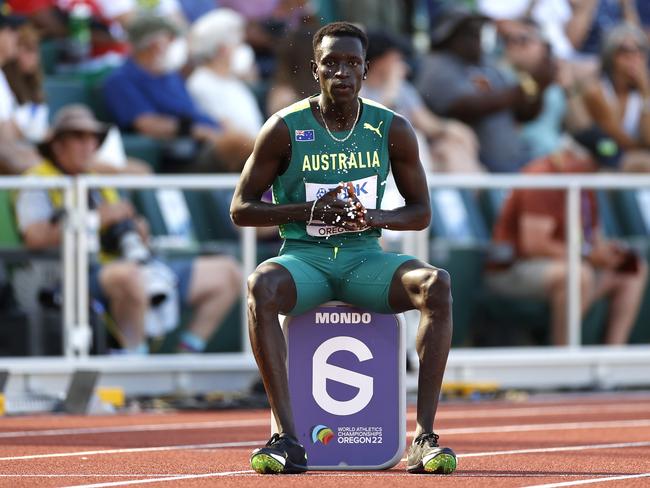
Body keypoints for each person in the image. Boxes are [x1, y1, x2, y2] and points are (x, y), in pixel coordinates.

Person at [230, 22, 456, 475]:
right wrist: (311, 209)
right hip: (304, 260)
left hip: (364, 259)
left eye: (352, 63)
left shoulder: (391, 128)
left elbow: (420, 212)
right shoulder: (284, 128)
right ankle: (286, 440)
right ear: (315, 69)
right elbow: (241, 209)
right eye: (331, 63)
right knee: (260, 285)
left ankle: (425, 438)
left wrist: (371, 217)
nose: (342, 72)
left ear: (366, 69)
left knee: (435, 283)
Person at [14, 104, 243, 354]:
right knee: (129, 278)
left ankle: (187, 355)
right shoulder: (37, 180)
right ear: (57, 145)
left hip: (131, 263)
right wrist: (98, 217)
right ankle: (134, 362)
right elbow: (35, 238)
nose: (88, 145)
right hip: (70, 273)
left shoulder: (98, 179)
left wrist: (138, 230)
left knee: (228, 273)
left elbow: (144, 174)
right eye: (78, 138)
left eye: (93, 139)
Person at [484, 147, 648, 345]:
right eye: (595, 165)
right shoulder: (542, 177)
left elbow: (592, 239)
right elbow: (535, 245)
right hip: (513, 269)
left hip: (568, 263)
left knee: (632, 270)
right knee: (579, 275)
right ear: (573, 156)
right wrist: (588, 255)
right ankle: (563, 355)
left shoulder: (585, 183)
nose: (598, 172)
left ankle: (614, 354)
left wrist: (606, 253)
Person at [102, 14, 253, 173]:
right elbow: (146, 124)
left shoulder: (170, 76)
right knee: (245, 145)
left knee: (248, 141)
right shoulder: (121, 80)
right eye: (170, 38)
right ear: (154, 43)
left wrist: (218, 126)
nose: (172, 44)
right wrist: (197, 131)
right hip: (183, 153)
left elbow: (191, 110)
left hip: (209, 142)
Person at [415, 7, 553, 172]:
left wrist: (538, 87)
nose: (477, 37)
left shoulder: (486, 64)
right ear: (449, 36)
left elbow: (523, 113)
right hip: (475, 168)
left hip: (513, 163)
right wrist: (525, 88)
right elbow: (463, 108)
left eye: (479, 31)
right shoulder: (437, 65)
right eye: (469, 33)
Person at [360, 29, 482, 173]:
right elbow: (371, 126)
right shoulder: (357, 89)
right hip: (375, 162)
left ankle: (484, 191)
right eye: (396, 58)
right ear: (381, 60)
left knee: (452, 149)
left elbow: (426, 122)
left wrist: (451, 129)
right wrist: (391, 87)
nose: (402, 63)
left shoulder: (403, 88)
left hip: (413, 159)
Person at [579, 23, 650, 171]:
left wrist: (645, 92)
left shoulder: (644, 91)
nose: (634, 57)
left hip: (631, 158)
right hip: (602, 153)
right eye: (625, 51)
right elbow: (619, 139)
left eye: (639, 50)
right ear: (610, 55)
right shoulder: (596, 90)